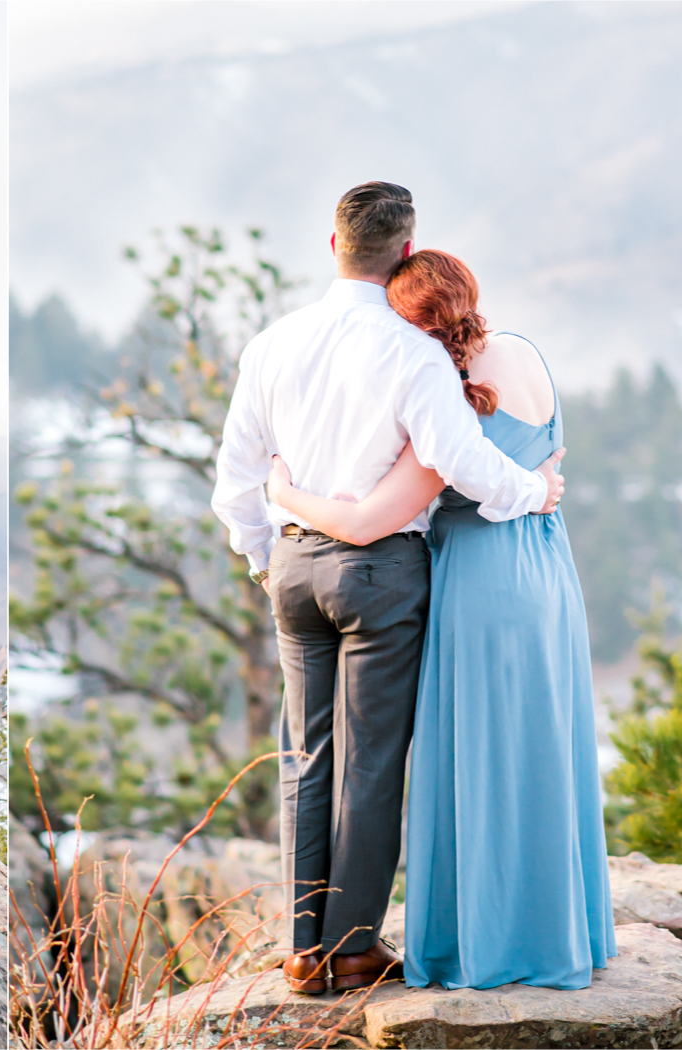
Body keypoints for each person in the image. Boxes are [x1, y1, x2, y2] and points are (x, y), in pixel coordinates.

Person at [211, 182, 565, 994]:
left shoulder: (271, 343)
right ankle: (354, 949)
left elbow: (237, 480)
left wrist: (268, 560)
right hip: (380, 574)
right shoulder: (411, 350)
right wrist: (534, 492)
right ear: (404, 252)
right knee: (370, 764)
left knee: (307, 757)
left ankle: (303, 948)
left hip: (295, 566)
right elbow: (467, 465)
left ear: (331, 244)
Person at [265, 249, 617, 990]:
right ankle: (562, 932)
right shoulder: (525, 355)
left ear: (411, 325)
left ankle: (485, 944)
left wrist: (285, 495)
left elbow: (363, 521)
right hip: (547, 575)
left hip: (479, 585)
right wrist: (535, 487)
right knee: (540, 751)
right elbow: (546, 465)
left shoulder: (450, 408)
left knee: (478, 761)